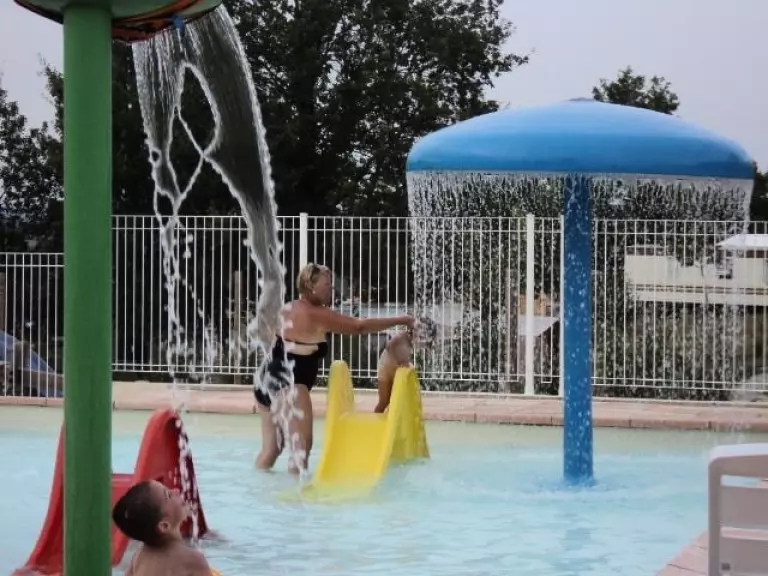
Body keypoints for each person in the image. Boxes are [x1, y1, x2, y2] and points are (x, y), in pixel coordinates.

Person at [254, 262, 414, 473]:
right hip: (290, 383)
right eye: (326, 285)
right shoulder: (315, 313)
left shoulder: (288, 308)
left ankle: (260, 487)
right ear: (311, 286)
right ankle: (295, 493)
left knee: (272, 449)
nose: (331, 289)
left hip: (266, 380)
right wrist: (404, 319)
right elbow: (359, 326)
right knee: (301, 449)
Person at [112, 480, 212, 576]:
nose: (176, 490)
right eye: (169, 495)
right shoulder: (194, 561)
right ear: (164, 526)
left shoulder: (139, 556)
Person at [375, 330, 414, 413]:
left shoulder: (413, 341)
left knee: (394, 401)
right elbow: (389, 346)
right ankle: (375, 419)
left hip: (397, 370)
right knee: (383, 402)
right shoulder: (402, 336)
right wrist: (396, 361)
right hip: (385, 367)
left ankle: (390, 419)